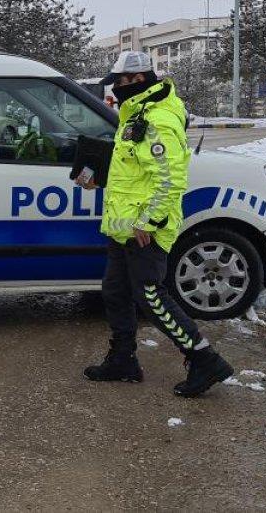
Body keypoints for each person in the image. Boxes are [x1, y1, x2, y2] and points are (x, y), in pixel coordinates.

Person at [81, 51, 233, 397]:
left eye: (118, 83)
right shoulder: (137, 112)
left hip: (145, 229)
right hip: (124, 226)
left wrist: (149, 222)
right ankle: (123, 359)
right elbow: (133, 172)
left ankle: (203, 358)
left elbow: (170, 179)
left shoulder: (159, 118)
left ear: (136, 80)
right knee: (116, 292)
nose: (115, 90)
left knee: (152, 296)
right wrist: (97, 179)